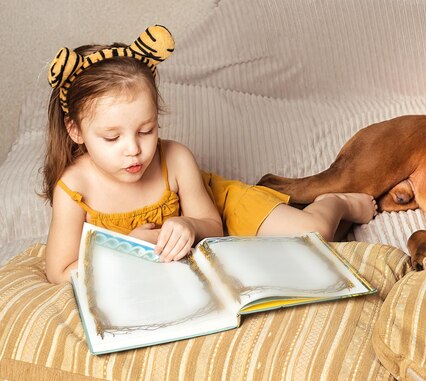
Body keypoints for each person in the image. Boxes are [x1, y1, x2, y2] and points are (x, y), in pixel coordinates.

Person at [42, 25, 376, 285]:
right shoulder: (74, 189)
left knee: (313, 236)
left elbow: (214, 225)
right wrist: (126, 250)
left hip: (217, 206)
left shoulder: (174, 159)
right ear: (75, 131)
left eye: (146, 130)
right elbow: (60, 270)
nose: (134, 149)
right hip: (176, 254)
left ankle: (338, 202)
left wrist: (189, 223)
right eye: (112, 137)